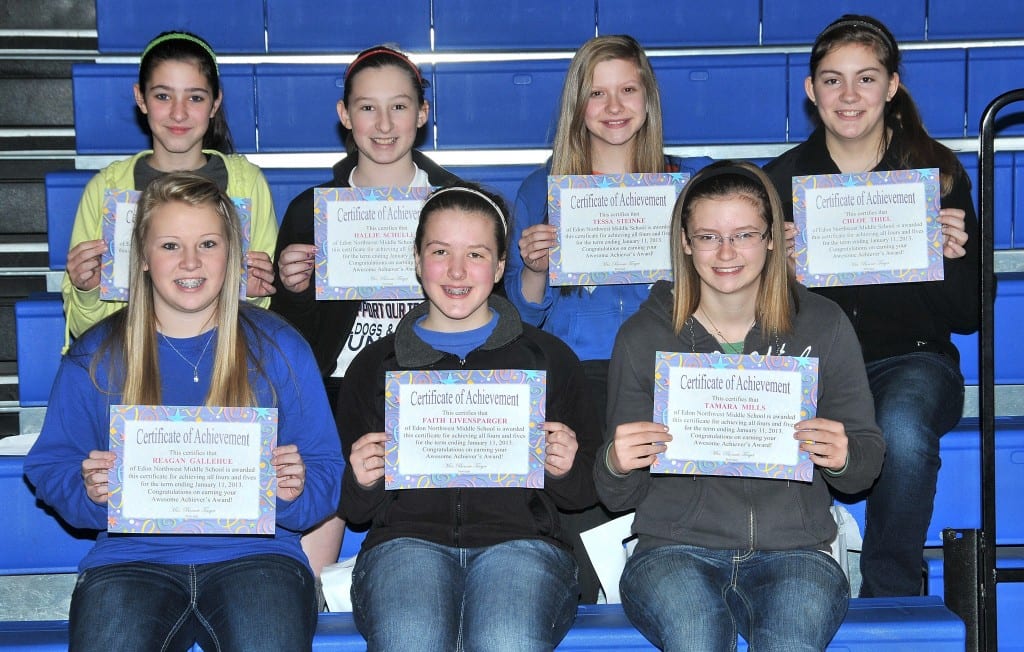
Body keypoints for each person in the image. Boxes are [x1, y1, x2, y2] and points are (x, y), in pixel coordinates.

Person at [25, 172, 343, 651]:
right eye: (170, 245)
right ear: (144, 258)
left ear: (231, 252)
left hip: (259, 557)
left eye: (209, 243)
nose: (190, 262)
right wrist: (89, 492)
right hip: (131, 560)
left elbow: (326, 473)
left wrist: (293, 491)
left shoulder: (280, 348)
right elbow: (51, 466)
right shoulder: (96, 354)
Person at [594, 161, 885, 651]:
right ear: (685, 243)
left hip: (797, 550)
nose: (726, 253)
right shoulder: (643, 337)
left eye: (745, 234)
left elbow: (863, 467)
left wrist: (845, 454)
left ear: (772, 239)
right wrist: (617, 462)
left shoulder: (823, 324)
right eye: (708, 237)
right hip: (672, 550)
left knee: (791, 641)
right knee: (697, 637)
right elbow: (614, 495)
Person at [763, 14, 978, 597]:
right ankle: (792, 574)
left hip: (912, 363)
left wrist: (953, 256)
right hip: (810, 366)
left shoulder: (938, 175)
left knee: (903, 430)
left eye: (866, 78)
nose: (849, 96)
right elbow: (749, 314)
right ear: (811, 92)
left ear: (892, 85)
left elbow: (968, 315)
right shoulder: (777, 182)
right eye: (832, 80)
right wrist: (772, 272)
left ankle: (892, 587)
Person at [339, 184, 601, 651]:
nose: (457, 271)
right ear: (417, 260)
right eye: (440, 251)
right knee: (409, 639)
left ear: (501, 267)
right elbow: (355, 511)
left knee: (506, 639)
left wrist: (563, 469)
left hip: (523, 545)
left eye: (476, 254)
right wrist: (361, 480)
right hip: (405, 545)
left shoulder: (549, 359)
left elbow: (582, 493)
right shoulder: (375, 366)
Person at [504, 33, 712, 602]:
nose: (614, 107)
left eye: (628, 90)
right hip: (581, 367)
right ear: (578, 104)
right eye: (598, 94)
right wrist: (535, 268)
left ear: (648, 99)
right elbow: (522, 316)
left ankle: (665, 578)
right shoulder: (540, 190)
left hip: (673, 363)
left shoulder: (693, 183)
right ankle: (596, 595)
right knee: (580, 425)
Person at [270, 44, 460, 577]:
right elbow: (291, 339)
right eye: (367, 107)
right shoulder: (310, 210)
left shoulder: (461, 203)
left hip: (433, 388)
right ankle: (305, 586)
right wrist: (292, 288)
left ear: (422, 114)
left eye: (399, 106)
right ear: (344, 114)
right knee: (303, 560)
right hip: (334, 393)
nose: (383, 124)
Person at [62, 30, 278, 344]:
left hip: (222, 360)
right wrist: (86, 290)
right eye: (163, 96)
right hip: (132, 363)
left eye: (195, 97)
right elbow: (86, 331)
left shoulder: (247, 184)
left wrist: (256, 296)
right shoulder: (106, 189)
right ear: (141, 98)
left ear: (214, 103)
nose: (179, 112)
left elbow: (261, 316)